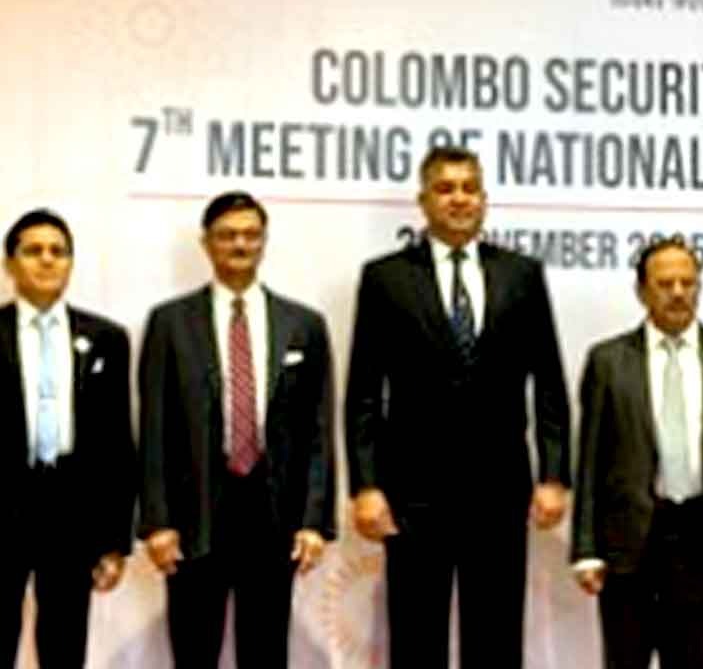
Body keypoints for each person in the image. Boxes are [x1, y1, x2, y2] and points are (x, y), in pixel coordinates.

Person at [344, 146, 571, 668]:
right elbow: (363, 392)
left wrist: (555, 475)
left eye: (469, 188)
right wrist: (366, 485)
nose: (459, 199)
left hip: (500, 489)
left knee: (496, 640)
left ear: (484, 199)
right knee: (415, 639)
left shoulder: (521, 274)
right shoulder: (386, 278)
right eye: (445, 189)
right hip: (414, 491)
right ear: (423, 200)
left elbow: (549, 383)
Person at [138, 191, 336, 668]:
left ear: (264, 241)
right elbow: (153, 429)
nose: (240, 244)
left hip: (273, 513)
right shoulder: (170, 323)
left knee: (266, 652)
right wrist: (157, 521)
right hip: (195, 513)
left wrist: (314, 520)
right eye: (227, 235)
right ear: (206, 243)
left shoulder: (303, 324)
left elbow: (318, 431)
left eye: (250, 234)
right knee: (194, 650)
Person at [571, 236, 703, 669]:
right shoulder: (609, 360)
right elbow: (590, 457)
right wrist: (585, 547)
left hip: (699, 537)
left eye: (688, 283)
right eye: (665, 283)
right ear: (642, 291)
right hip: (628, 541)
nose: (678, 293)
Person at [0, 208, 134, 668]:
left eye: (58, 251)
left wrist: (114, 540)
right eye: (33, 250)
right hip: (2, 508)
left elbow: (118, 442)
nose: (46, 260)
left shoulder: (106, 338)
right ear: (10, 263)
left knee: (64, 645)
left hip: (72, 511)